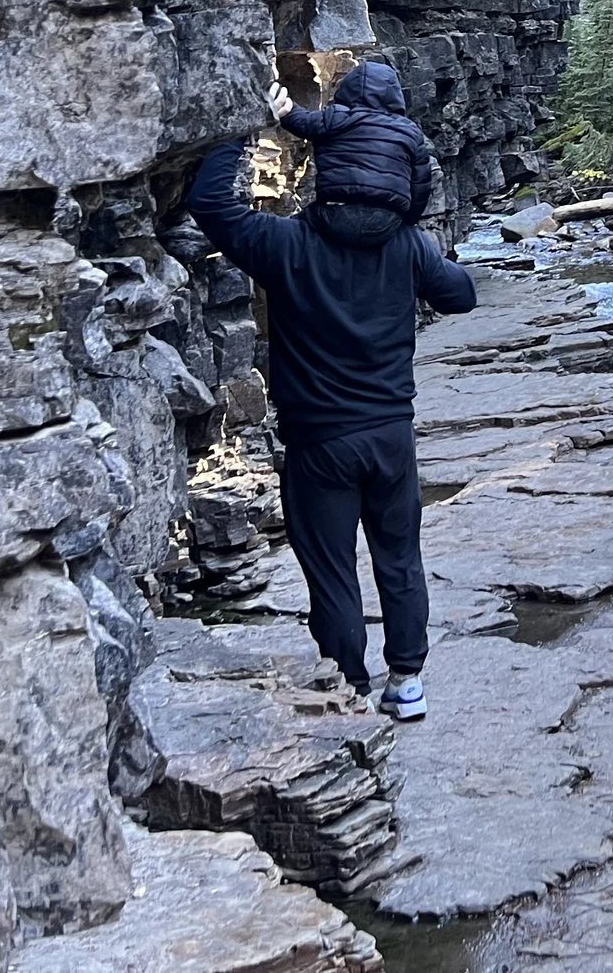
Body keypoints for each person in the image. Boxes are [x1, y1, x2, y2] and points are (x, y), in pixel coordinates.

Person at [185, 67, 476, 721]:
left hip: (319, 443)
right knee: (399, 556)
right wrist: (419, 252)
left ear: (331, 158)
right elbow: (461, 294)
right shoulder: (408, 249)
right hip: (390, 437)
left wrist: (241, 126)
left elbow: (212, 204)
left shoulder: (287, 243)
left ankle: (350, 688)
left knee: (332, 571)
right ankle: (408, 683)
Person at [266, 58, 443, 225]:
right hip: (387, 217)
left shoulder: (334, 118)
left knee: (288, 231)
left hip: (335, 212)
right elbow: (420, 186)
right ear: (395, 94)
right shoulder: (409, 131)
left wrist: (277, 96)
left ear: (347, 89)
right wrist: (407, 224)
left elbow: (300, 121)